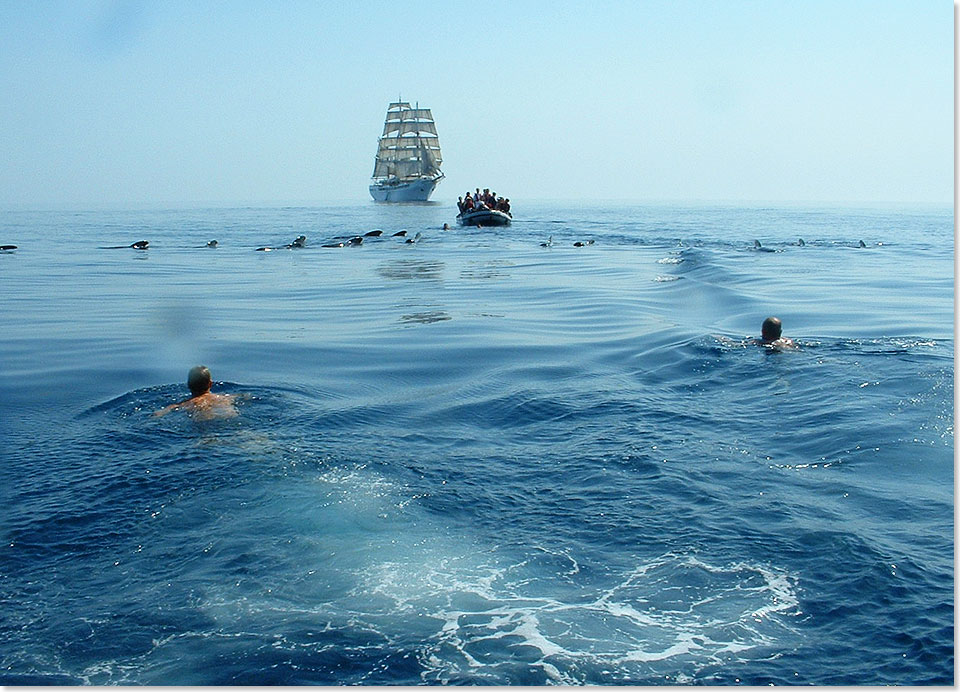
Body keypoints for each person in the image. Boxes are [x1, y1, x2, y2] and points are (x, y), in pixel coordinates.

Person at [154, 365, 238, 419]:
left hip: (201, 422)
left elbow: (158, 414)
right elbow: (246, 396)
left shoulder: (184, 404)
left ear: (188, 384)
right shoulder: (225, 398)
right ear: (210, 384)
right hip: (227, 419)